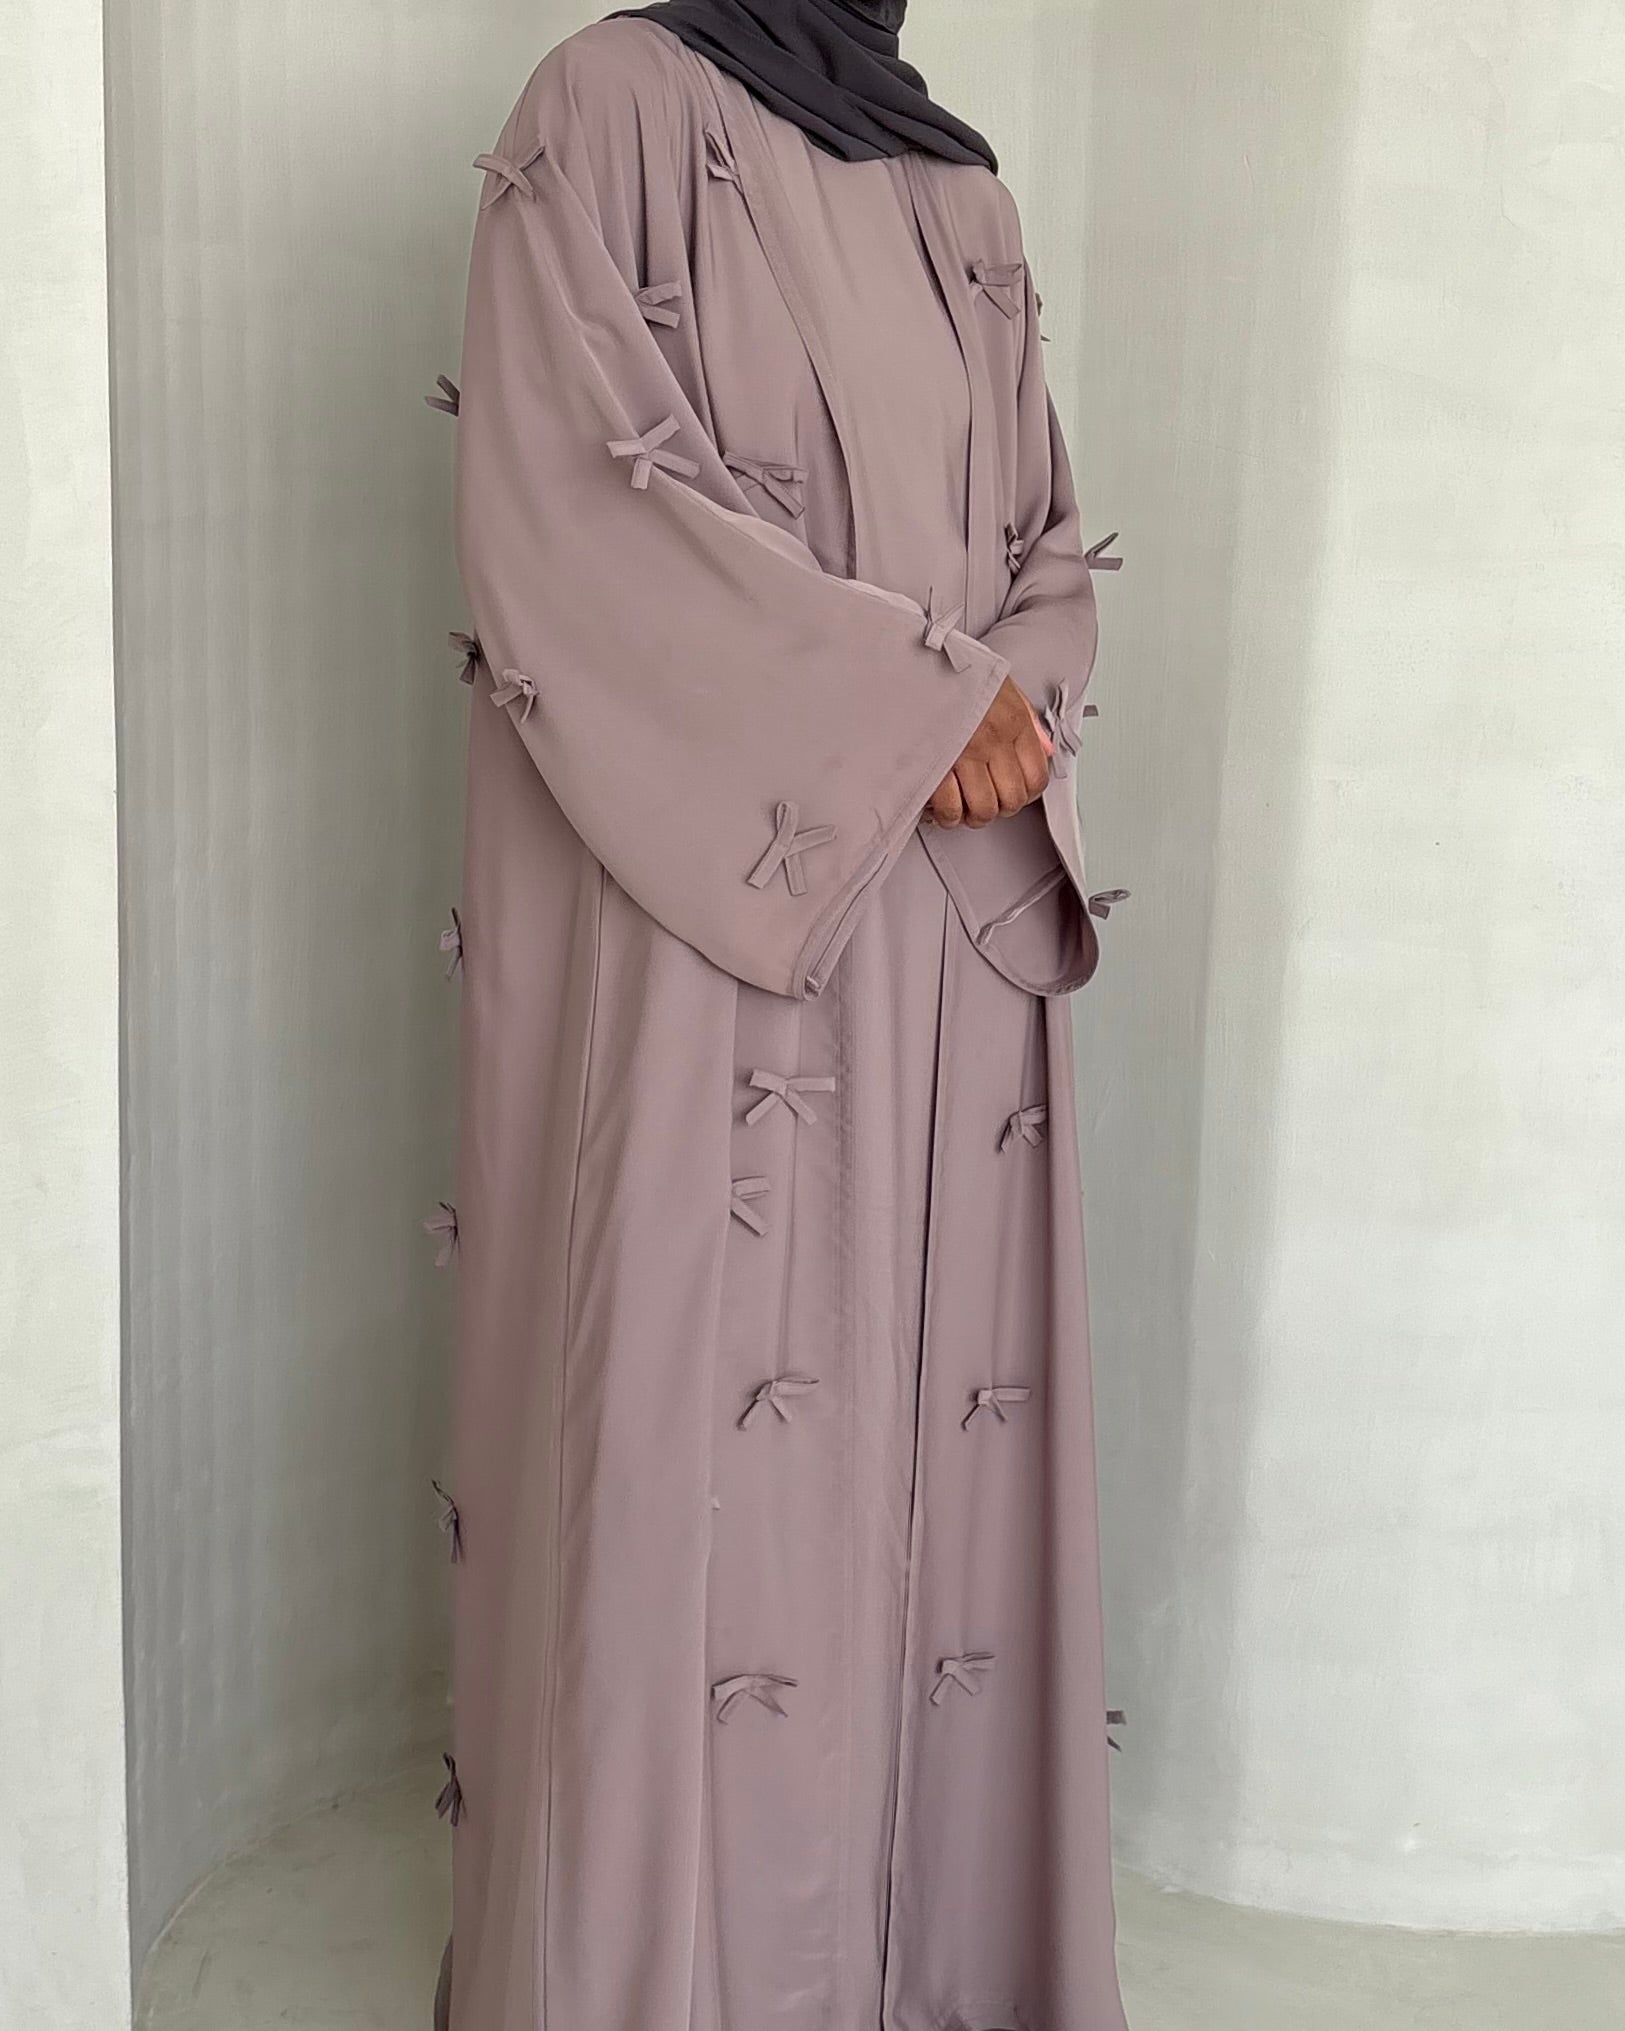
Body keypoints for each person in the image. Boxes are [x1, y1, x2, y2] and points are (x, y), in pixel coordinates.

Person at [430, 3, 1130, 2025]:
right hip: (711, 919)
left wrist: (991, 715)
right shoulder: (609, 105)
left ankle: (928, 1971)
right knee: (702, 1426)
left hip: (943, 927)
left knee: (921, 1421)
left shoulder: (959, 184)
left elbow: (1046, 547)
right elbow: (575, 506)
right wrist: (913, 713)